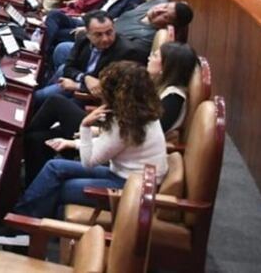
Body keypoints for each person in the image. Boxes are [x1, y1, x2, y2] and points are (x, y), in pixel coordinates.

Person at [13, 61, 168, 221]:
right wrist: (73, 143)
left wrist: (85, 126)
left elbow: (88, 162)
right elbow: (108, 143)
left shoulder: (124, 124)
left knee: (59, 187)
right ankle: (23, 216)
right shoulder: (144, 113)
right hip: (128, 177)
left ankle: (23, 223)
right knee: (54, 167)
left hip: (130, 188)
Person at [22, 44, 194, 185]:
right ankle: (24, 165)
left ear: (167, 66)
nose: (149, 57)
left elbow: (136, 132)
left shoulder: (173, 98)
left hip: (125, 161)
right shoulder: (152, 88)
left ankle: (18, 142)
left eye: (155, 55)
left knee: (56, 103)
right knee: (38, 138)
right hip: (116, 140)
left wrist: (92, 129)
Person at [33, 12, 145, 107]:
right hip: (82, 79)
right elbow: (69, 67)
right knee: (61, 66)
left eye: (109, 32)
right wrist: (85, 78)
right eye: (98, 35)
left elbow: (116, 90)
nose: (105, 39)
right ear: (88, 34)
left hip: (92, 97)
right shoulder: (82, 38)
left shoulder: (127, 52)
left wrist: (77, 86)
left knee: (38, 97)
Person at [42, 0, 144, 55]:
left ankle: (42, 54)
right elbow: (99, 9)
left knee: (56, 32)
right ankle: (43, 53)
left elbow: (122, 21)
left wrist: (89, 29)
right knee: (54, 14)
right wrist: (84, 16)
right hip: (86, 20)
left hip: (96, 29)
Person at [113, 0, 194, 57]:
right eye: (165, 6)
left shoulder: (146, 40)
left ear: (168, 26)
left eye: (165, 16)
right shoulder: (160, 1)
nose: (157, 11)